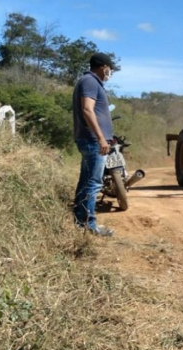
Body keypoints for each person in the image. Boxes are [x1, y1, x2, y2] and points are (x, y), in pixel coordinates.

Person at [72, 52, 118, 237]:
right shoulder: (90, 81)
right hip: (92, 141)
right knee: (93, 183)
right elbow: (87, 110)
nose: (110, 72)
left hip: (92, 140)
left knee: (86, 182)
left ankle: (79, 222)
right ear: (103, 66)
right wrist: (100, 138)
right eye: (110, 68)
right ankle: (90, 226)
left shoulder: (91, 82)